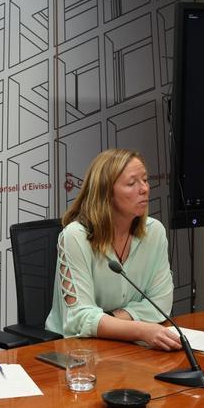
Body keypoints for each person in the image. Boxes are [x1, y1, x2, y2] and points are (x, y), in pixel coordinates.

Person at [44, 149, 181, 351]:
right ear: (106, 192)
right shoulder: (75, 237)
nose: (144, 189)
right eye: (132, 183)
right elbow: (79, 318)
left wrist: (108, 320)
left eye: (145, 180)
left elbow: (161, 304)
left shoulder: (155, 232)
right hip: (74, 349)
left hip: (130, 347)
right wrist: (141, 330)